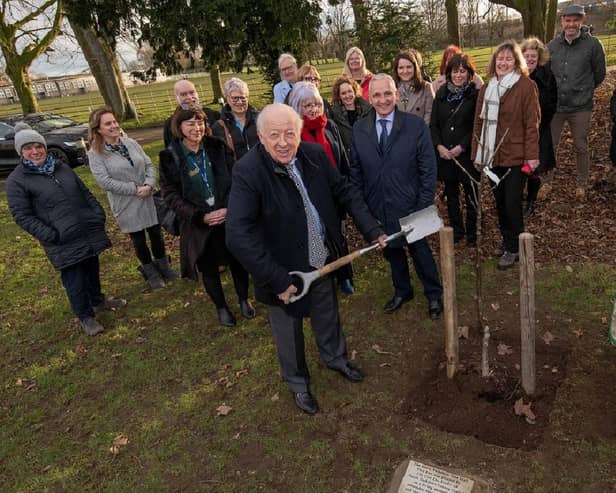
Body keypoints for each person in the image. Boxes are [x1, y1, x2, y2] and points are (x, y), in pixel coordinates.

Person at [225, 103, 386, 415]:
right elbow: (238, 234)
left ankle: (336, 358)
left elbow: (345, 192)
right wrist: (277, 281)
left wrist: (372, 228)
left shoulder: (313, 154)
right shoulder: (248, 171)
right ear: (260, 136)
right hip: (282, 269)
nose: (283, 142)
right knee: (289, 332)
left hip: (321, 257)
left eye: (290, 134)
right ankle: (298, 383)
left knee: (327, 312)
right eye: (274, 136)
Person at [6, 123, 126, 336]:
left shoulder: (61, 167)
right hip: (61, 239)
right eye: (28, 148)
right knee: (74, 278)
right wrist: (50, 234)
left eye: (38, 146)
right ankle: (85, 316)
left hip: (86, 230)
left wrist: (97, 214)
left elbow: (84, 192)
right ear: (21, 152)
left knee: (91, 268)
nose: (35, 151)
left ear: (44, 146)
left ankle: (98, 300)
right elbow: (22, 216)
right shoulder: (17, 180)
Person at [351, 73, 443, 319]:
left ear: (397, 95)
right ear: (369, 98)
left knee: (420, 252)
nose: (383, 100)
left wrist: (422, 207)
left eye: (388, 94)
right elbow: (356, 171)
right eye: (377, 95)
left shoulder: (415, 126)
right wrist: (366, 211)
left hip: (412, 204)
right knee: (392, 252)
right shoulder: (360, 129)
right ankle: (403, 290)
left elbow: (428, 169)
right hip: (379, 205)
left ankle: (434, 294)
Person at [159, 105, 255, 327]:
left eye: (200, 122)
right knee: (208, 267)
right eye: (190, 123)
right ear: (179, 127)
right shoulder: (169, 157)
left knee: (237, 260)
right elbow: (170, 194)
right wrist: (199, 216)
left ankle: (243, 299)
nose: (197, 127)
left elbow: (236, 177)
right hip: (199, 224)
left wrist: (228, 207)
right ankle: (221, 307)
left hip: (226, 216)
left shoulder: (217, 146)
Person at [87, 107, 178, 289]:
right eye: (108, 123)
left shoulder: (131, 143)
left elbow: (149, 164)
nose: (113, 125)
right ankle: (150, 272)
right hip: (126, 202)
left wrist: (149, 184)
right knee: (139, 239)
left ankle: (164, 267)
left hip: (148, 196)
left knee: (156, 234)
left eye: (114, 121)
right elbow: (105, 181)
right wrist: (134, 189)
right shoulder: (95, 154)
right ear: (98, 129)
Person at [471, 40, 540, 270]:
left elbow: (532, 123)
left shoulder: (525, 86)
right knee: (499, 203)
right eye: (499, 58)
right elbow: (478, 123)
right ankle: (507, 239)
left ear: (516, 62)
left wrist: (532, 156)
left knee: (512, 203)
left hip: (516, 156)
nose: (503, 62)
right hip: (492, 157)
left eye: (508, 59)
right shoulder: (487, 87)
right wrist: (477, 154)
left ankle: (515, 248)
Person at [287, 81, 354, 294]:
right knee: (319, 238)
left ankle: (345, 276)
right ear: (297, 106)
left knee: (339, 236)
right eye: (307, 105)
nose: (313, 109)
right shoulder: (294, 133)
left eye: (316, 104)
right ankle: (324, 276)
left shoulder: (330, 126)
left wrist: (346, 184)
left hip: (335, 191)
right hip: (313, 196)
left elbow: (341, 157)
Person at [545, 4, 606, 201]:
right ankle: (546, 181)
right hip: (556, 107)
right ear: (562, 21)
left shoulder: (593, 45)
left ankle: (581, 184)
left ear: (582, 20)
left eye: (575, 20)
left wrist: (584, 91)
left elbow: (599, 74)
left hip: (581, 106)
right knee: (549, 145)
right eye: (567, 20)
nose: (571, 24)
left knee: (580, 145)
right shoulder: (552, 46)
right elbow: (546, 74)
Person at [430, 54, 480, 246]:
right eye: (454, 71)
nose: (458, 75)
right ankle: (457, 231)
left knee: (471, 195)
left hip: (466, 155)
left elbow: (476, 126)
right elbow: (433, 124)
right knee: (451, 196)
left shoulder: (474, 95)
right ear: (448, 73)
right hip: (445, 155)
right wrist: (439, 146)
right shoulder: (441, 94)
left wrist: (462, 146)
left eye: (462, 71)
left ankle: (473, 234)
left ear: (469, 73)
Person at [520, 37, 557, 218]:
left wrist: (538, 122)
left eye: (533, 56)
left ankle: (531, 202)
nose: (530, 59)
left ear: (539, 57)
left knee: (533, 168)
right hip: (518, 132)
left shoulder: (547, 77)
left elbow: (552, 103)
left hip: (539, 129)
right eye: (526, 56)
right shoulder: (517, 76)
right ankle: (518, 196)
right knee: (519, 167)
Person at [211, 78, 259, 161]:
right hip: (237, 171)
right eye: (235, 98)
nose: (240, 102)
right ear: (227, 98)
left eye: (243, 98)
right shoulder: (219, 127)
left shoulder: (260, 119)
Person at [163, 80, 221, 147]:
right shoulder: (170, 123)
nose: (189, 97)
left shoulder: (214, 115)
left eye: (192, 92)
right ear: (176, 97)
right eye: (183, 94)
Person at [330, 75, 372, 158]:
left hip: (368, 154)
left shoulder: (368, 110)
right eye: (343, 93)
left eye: (350, 91)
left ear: (354, 91)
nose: (347, 95)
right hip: (348, 157)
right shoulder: (334, 115)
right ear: (339, 96)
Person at [392, 50, 435, 125]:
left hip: (420, 133)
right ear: (396, 70)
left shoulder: (426, 88)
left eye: (409, 67)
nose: (405, 71)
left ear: (415, 68)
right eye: (401, 68)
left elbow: (430, 115)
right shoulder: (392, 89)